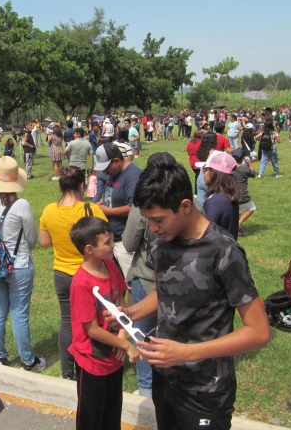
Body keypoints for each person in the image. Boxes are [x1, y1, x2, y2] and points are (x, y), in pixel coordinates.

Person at [108, 159, 270, 430]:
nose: (154, 229)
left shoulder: (224, 252)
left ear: (185, 206)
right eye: (149, 221)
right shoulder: (162, 241)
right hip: (166, 379)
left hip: (205, 390)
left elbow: (258, 331)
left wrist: (186, 353)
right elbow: (164, 292)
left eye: (158, 220)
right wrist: (130, 313)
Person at [68, 216, 141, 430]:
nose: (113, 245)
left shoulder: (110, 265)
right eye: (107, 242)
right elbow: (92, 330)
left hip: (113, 359)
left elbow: (121, 302)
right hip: (93, 363)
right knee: (91, 420)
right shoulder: (81, 283)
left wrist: (122, 336)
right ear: (89, 249)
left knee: (111, 416)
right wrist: (125, 345)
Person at [39, 166, 108, 380]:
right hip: (89, 275)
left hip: (62, 274)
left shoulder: (49, 210)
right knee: (94, 323)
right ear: (81, 185)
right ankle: (93, 363)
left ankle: (67, 371)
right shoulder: (92, 210)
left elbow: (44, 242)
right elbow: (104, 241)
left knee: (67, 322)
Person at [0, 157, 44, 372]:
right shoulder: (20, 204)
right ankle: (27, 360)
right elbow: (32, 237)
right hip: (19, 264)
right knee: (19, 314)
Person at [123, 152, 174, 398]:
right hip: (168, 279)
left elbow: (129, 243)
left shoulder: (140, 207)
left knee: (142, 335)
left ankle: (146, 386)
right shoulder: (193, 203)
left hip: (146, 277)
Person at [94, 143, 142, 277]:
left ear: (116, 161)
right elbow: (111, 193)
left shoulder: (133, 176)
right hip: (112, 240)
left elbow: (135, 207)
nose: (104, 172)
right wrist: (101, 202)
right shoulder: (114, 173)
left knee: (131, 282)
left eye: (106, 167)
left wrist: (108, 211)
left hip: (124, 242)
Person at [196, 151, 241, 240]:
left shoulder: (215, 201)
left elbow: (206, 234)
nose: (203, 173)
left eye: (205, 169)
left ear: (214, 173)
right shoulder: (229, 196)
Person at [231, 149, 257, 237]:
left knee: (237, 211)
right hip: (243, 194)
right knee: (251, 208)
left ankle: (236, 229)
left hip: (232, 193)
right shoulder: (244, 169)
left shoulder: (229, 169)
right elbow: (253, 173)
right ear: (242, 159)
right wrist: (249, 163)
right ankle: (239, 222)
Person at [186, 130, 203, 194]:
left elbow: (188, 152)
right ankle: (196, 192)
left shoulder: (190, 142)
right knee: (198, 178)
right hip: (199, 162)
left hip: (192, 161)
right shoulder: (201, 143)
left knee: (198, 176)